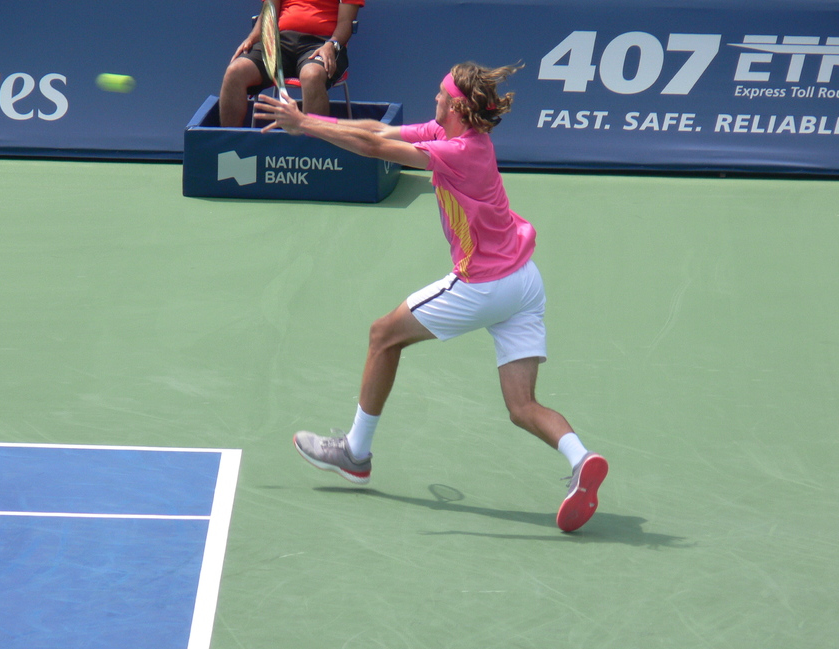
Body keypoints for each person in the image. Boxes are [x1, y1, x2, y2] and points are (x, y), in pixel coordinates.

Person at [254, 62, 608, 532]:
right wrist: (313, 121)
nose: (435, 100)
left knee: (383, 335)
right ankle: (581, 459)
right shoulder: (452, 133)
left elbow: (375, 147)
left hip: (484, 285)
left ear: (459, 107)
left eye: (441, 95)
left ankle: (355, 455)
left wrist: (303, 126)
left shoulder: (458, 151)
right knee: (522, 407)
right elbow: (377, 128)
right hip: (525, 282)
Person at [218, 0, 363, 128]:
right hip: (278, 43)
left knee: (312, 76)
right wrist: (252, 38)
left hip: (321, 44)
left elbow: (346, 22)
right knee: (235, 71)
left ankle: (314, 152)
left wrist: (332, 44)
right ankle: (229, 150)